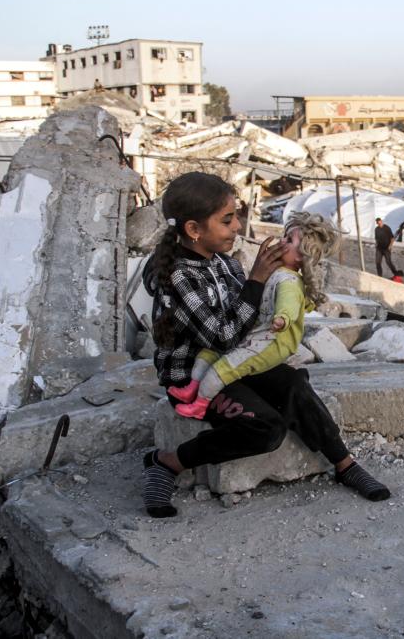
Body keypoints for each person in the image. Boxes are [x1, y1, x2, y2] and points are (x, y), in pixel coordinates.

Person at [142, 172, 389, 518]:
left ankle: (344, 463)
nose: (237, 227)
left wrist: (286, 288)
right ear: (194, 230)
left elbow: (247, 318)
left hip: (233, 360)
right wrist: (257, 279)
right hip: (194, 376)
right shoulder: (178, 277)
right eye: (227, 220)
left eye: (236, 216)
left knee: (294, 383)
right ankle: (169, 462)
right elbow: (223, 335)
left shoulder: (225, 263)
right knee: (266, 427)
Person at [168, 211, 338, 419]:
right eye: (285, 236)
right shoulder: (273, 271)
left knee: (224, 368)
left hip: (271, 340)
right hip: (255, 332)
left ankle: (201, 404)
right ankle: (192, 387)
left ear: (301, 256)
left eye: (288, 240)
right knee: (209, 353)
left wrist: (282, 318)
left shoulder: (290, 282)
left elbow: (289, 305)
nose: (281, 241)